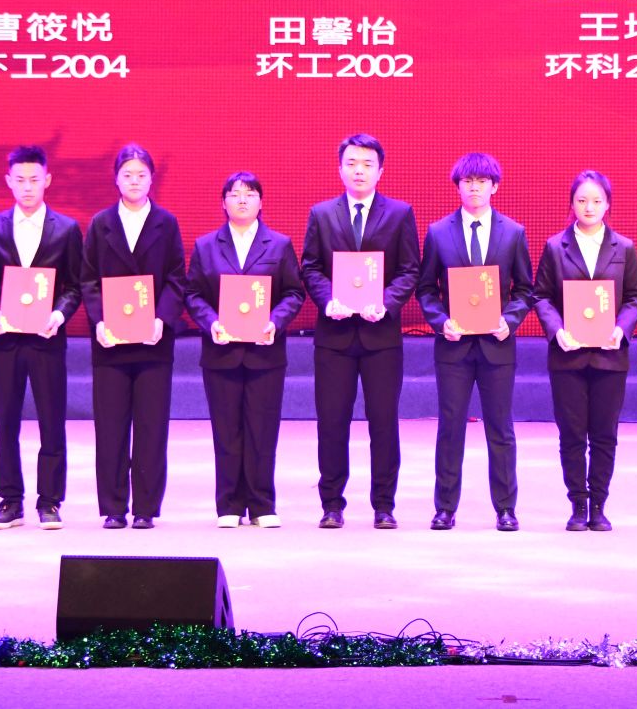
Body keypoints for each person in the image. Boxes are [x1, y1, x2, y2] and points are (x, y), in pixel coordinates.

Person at [300, 132, 422, 528]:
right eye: (351, 163)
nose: (359, 170)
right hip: (334, 337)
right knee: (331, 423)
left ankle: (384, 505)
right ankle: (331, 504)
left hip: (380, 337)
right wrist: (326, 300)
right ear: (340, 168)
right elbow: (310, 267)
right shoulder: (322, 213)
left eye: (368, 164)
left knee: (383, 423)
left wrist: (385, 302)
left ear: (380, 171)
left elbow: (409, 270)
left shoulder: (400, 213)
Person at [415, 152, 535, 532]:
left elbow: (525, 290)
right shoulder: (438, 232)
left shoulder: (513, 232)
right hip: (454, 346)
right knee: (450, 427)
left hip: (497, 346)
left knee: (501, 428)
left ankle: (506, 508)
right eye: (467, 181)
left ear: (494, 186)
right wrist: (441, 322)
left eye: (482, 181)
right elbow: (425, 289)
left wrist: (509, 321)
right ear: (458, 186)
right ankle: (445, 508)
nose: (474, 188)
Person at [0, 145, 83, 532]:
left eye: (35, 179)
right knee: (6, 421)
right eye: (20, 180)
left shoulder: (66, 229)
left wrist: (59, 314)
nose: (28, 187)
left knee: (52, 420)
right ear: (8, 182)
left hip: (47, 338)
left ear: (47, 180)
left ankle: (49, 501)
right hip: (5, 340)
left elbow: (75, 285)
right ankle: (9, 501)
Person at [184, 172, 307, 528]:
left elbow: (293, 292)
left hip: (264, 352)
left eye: (250, 194)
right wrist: (210, 323)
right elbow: (193, 294)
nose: (242, 199)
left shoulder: (279, 244)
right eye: (234, 194)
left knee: (262, 429)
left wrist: (275, 322)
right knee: (226, 429)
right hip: (221, 352)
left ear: (261, 202)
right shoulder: (206, 245)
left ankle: (262, 504)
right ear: (223, 202)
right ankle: (229, 505)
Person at [78, 144, 187, 528]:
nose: (135, 181)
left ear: (151, 179)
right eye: (128, 175)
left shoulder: (166, 223)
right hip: (111, 343)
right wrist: (99, 321)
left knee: (151, 427)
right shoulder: (100, 223)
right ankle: (113, 508)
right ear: (116, 179)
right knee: (110, 427)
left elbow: (176, 278)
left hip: (154, 341)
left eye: (141, 175)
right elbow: (88, 279)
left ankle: (145, 508)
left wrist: (162, 318)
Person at [531, 170, 637, 532]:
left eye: (596, 200)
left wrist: (621, 328)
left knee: (605, 434)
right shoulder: (555, 247)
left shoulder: (624, 247)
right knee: (572, 434)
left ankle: (599, 504)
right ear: (572, 203)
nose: (589, 207)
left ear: (608, 204)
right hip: (568, 355)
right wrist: (556, 331)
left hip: (610, 356)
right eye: (582, 200)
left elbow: (635, 297)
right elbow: (541, 296)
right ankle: (578, 504)